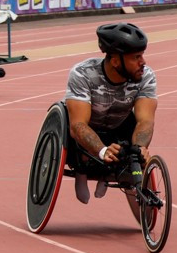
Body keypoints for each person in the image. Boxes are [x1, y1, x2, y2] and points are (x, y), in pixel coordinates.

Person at [64, 22, 157, 205]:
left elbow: (145, 121)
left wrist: (139, 149)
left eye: (143, 55)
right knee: (74, 126)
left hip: (118, 125)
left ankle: (108, 173)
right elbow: (78, 125)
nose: (143, 62)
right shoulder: (82, 74)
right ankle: (82, 170)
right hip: (86, 129)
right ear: (116, 61)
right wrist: (102, 150)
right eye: (136, 57)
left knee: (134, 132)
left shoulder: (146, 76)